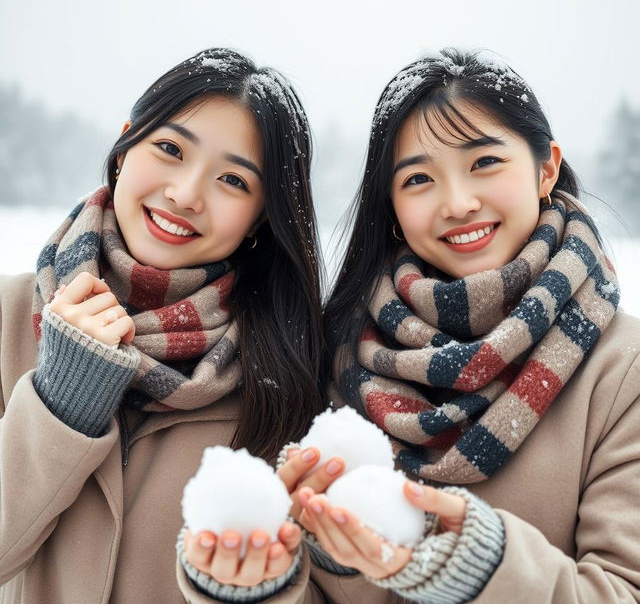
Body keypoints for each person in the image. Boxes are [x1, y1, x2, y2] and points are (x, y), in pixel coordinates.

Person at [280, 49, 640, 603]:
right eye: (419, 178)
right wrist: (328, 562)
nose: (457, 203)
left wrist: (479, 564)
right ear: (392, 206)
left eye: (485, 163)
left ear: (545, 168)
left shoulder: (623, 371)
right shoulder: (341, 353)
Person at [0, 48, 328, 603]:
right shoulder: (8, 319)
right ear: (125, 147)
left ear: (262, 216)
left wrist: (249, 588)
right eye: (170, 148)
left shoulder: (293, 364)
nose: (185, 194)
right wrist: (60, 405)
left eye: (233, 180)